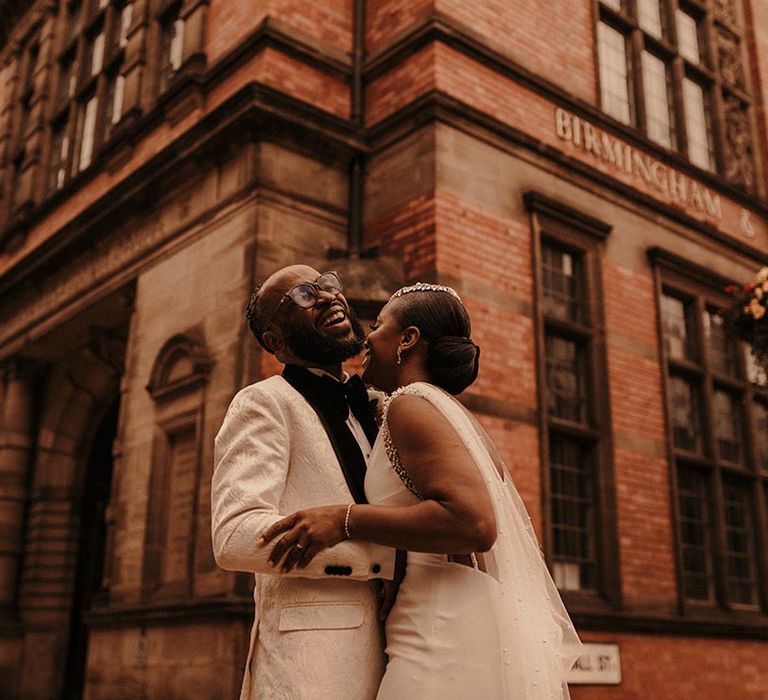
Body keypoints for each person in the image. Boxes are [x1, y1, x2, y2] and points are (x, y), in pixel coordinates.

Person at [262, 282, 583, 699]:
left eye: (379, 325)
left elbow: (474, 523)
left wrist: (345, 520)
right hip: (445, 610)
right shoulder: (451, 414)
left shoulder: (411, 404)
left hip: (438, 627)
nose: (367, 338)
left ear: (407, 340)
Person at [211, 265, 396, 700]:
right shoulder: (263, 403)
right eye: (303, 295)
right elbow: (234, 536)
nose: (330, 296)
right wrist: (386, 561)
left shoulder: (375, 407)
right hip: (312, 663)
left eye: (328, 285)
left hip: (404, 649)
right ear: (275, 341)